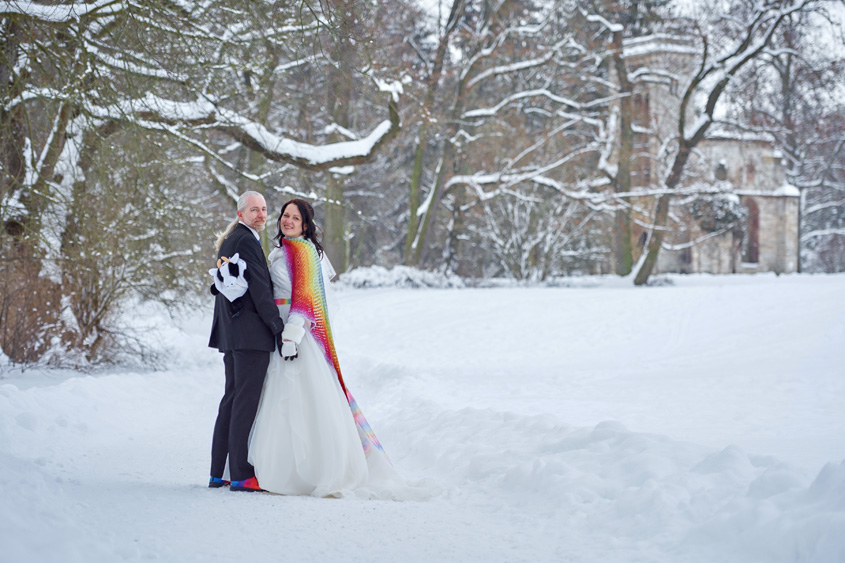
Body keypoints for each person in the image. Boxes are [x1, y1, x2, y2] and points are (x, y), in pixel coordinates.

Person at [248, 199, 423, 498]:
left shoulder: (302, 252)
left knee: (298, 400)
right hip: (277, 328)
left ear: (305, 225)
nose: (287, 221)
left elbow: (303, 300)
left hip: (295, 335)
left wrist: (291, 337)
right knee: (281, 402)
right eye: (284, 216)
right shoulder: (282, 251)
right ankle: (278, 467)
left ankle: (308, 472)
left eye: (295, 218)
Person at [208, 191, 285, 492]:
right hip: (250, 335)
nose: (261, 215)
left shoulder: (233, 239)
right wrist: (276, 326)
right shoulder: (245, 240)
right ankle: (240, 473)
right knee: (244, 402)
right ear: (240, 213)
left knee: (231, 399)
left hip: (233, 333)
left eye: (264, 209)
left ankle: (219, 472)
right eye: (254, 210)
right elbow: (259, 291)